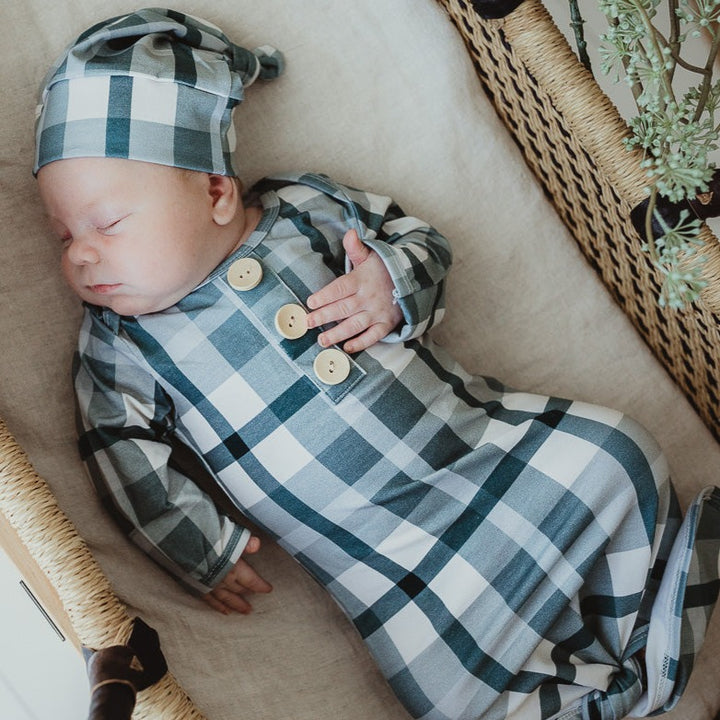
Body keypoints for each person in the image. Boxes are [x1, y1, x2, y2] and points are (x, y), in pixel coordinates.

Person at [34, 8, 720, 720]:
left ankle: (636, 640)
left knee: (616, 454)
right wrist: (199, 546)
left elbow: (416, 239)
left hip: (487, 454)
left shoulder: (303, 210)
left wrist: (388, 285)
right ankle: (614, 691)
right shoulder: (121, 345)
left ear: (214, 192)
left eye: (107, 224)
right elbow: (118, 452)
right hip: (391, 569)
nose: (79, 254)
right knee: (449, 696)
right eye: (62, 236)